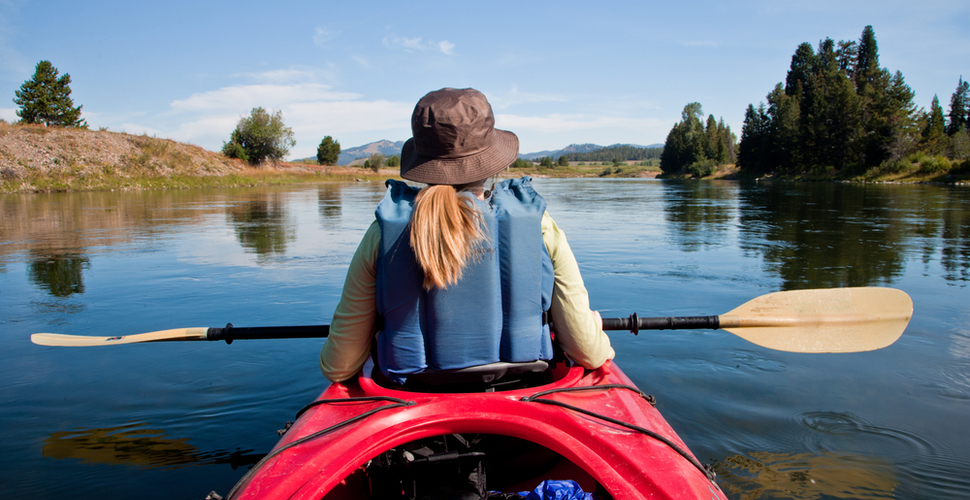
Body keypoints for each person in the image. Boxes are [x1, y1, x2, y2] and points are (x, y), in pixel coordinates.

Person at [319, 87, 614, 385]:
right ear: (491, 161)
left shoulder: (382, 233)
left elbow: (338, 367)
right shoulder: (540, 226)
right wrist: (594, 329)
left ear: (422, 159)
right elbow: (588, 353)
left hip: (415, 394)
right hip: (521, 387)